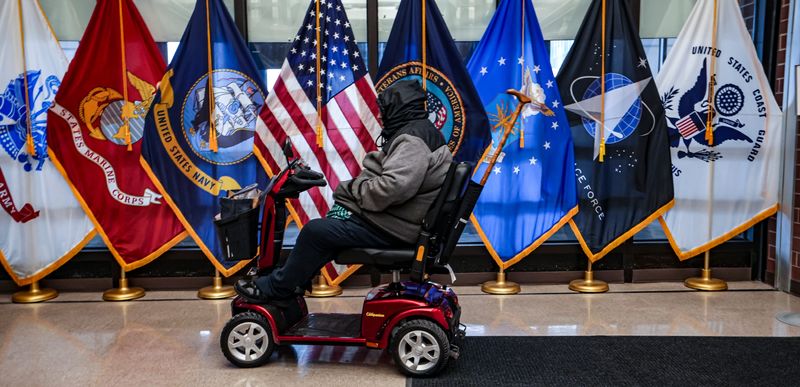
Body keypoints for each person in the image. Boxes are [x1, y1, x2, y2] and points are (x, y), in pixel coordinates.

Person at [236, 80, 453, 302]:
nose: (380, 117)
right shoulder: (421, 133)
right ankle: (292, 283)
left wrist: (352, 188)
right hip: (396, 221)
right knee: (327, 231)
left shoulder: (413, 141)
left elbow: (390, 189)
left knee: (315, 231)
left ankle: (275, 288)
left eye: (385, 111)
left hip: (393, 228)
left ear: (400, 109)